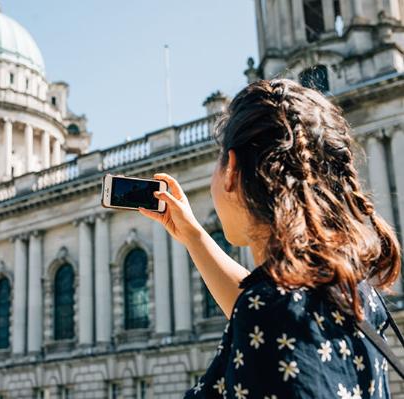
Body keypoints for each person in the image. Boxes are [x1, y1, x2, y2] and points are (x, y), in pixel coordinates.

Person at [138, 78, 402, 398]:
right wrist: (193, 235)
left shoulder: (270, 314)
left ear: (232, 170)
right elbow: (273, 304)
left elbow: (269, 315)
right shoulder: (351, 289)